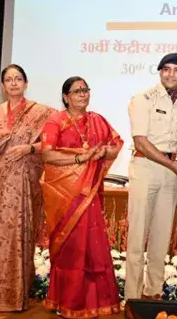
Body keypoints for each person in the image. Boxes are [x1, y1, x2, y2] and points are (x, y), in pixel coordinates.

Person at [40, 76, 123, 318]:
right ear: (66, 97)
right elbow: (47, 155)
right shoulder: (55, 121)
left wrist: (103, 152)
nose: (83, 94)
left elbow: (116, 144)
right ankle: (67, 302)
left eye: (85, 90)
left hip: (89, 195)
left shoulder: (97, 120)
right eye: (77, 91)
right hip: (65, 197)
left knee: (93, 247)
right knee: (71, 248)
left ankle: (95, 302)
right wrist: (80, 158)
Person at [0, 64, 55, 312]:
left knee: (21, 232)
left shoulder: (42, 112)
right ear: (3, 85)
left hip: (26, 182)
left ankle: (17, 295)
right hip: (0, 183)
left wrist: (30, 148)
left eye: (18, 79)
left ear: (26, 83)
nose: (13, 83)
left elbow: (53, 143)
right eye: (9, 79)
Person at [125, 53, 177, 305]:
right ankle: (133, 299)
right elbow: (140, 141)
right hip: (145, 167)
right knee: (137, 239)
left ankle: (153, 294)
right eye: (167, 69)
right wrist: (175, 165)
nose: (171, 74)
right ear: (160, 72)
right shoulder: (143, 99)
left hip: (170, 173)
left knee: (161, 237)